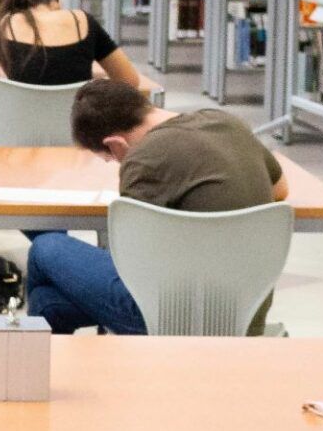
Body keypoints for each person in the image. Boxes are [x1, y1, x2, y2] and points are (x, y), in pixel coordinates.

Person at [28, 80, 287, 336]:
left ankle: (33, 368)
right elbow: (280, 189)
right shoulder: (226, 123)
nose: (116, 163)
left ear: (115, 144)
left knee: (45, 247)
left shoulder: (143, 160)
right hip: (247, 315)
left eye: (110, 158)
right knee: (48, 302)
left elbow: (133, 264)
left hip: (169, 317)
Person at [0, 0, 141, 146]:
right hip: (80, 139)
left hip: (16, 140)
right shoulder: (81, 20)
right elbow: (130, 81)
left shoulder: (1, 26)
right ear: (53, 3)